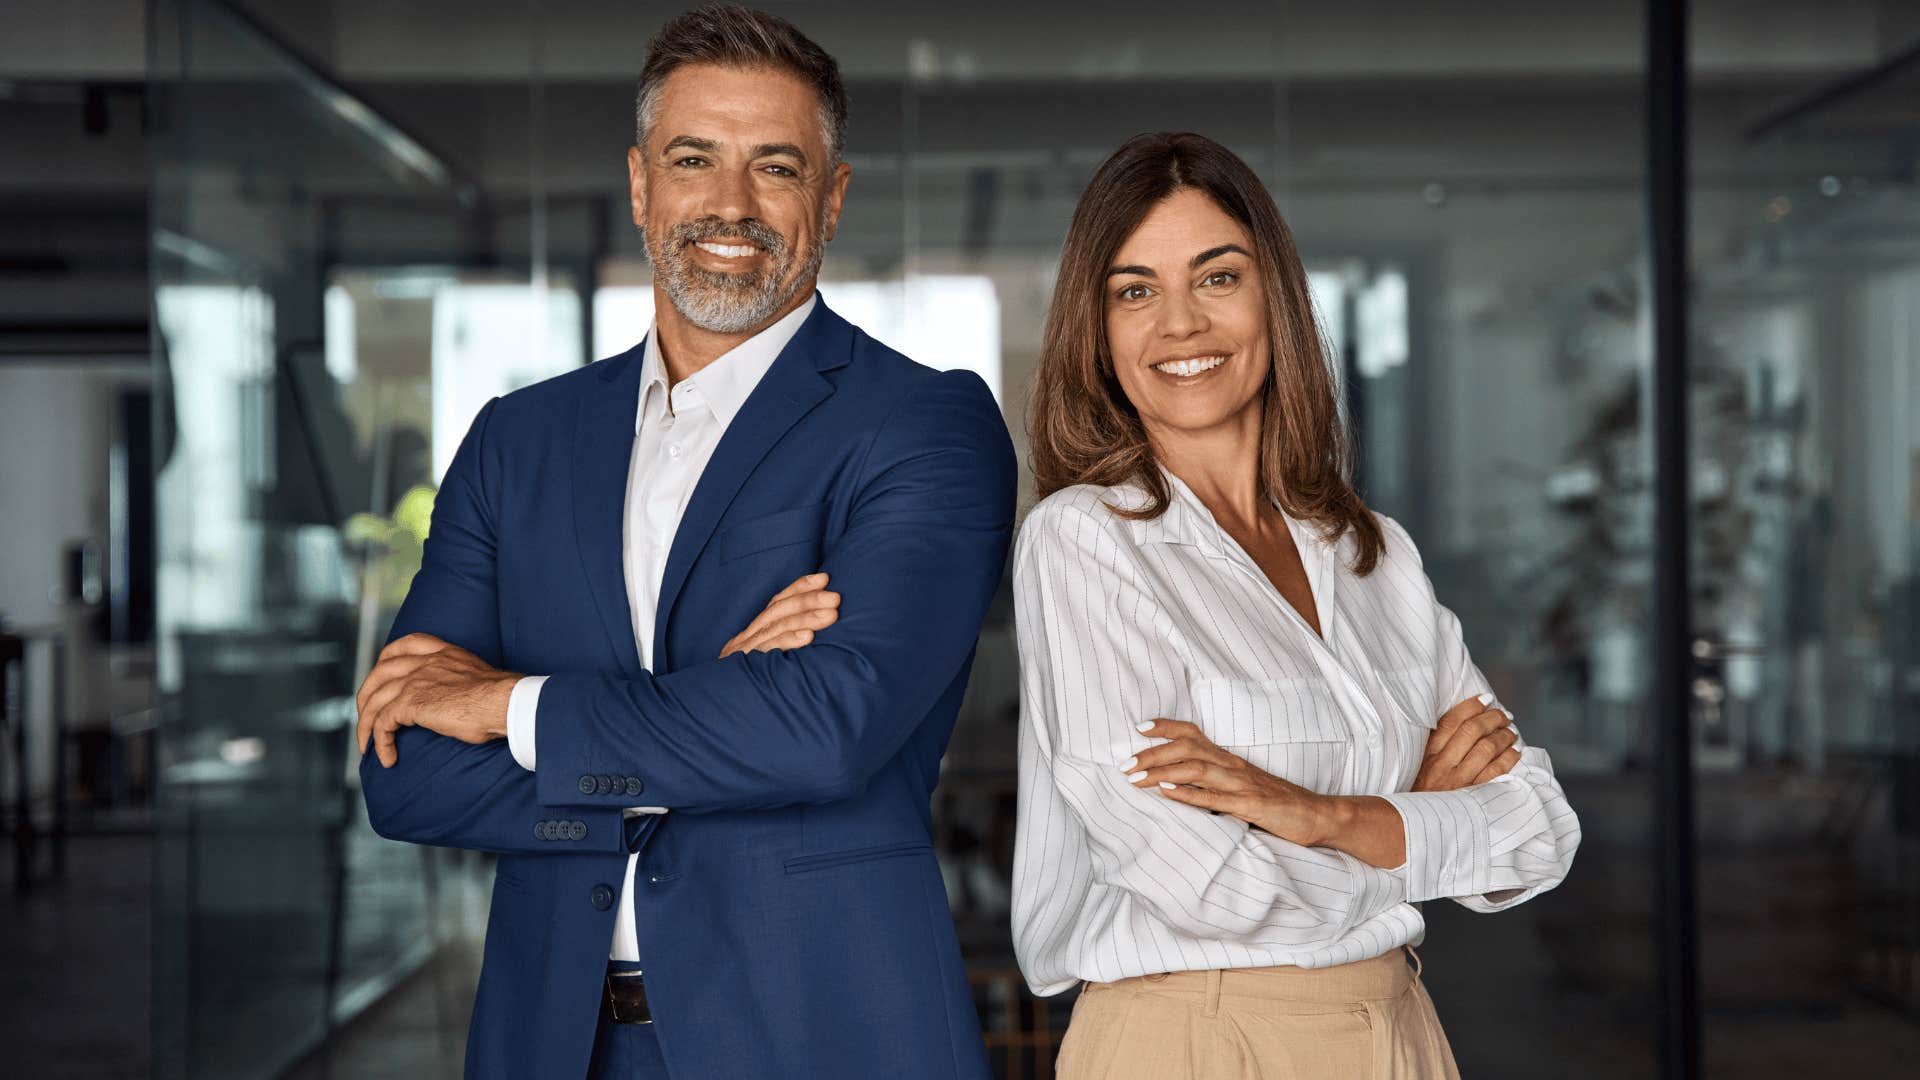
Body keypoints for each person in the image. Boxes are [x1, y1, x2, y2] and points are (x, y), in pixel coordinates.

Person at [352, 6, 1011, 1078]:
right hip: (554, 1045)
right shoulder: (519, 440)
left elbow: (828, 727)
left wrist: (508, 704)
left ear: (833, 199)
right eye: (694, 159)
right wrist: (719, 706)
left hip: (822, 1037)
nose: (731, 205)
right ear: (640, 183)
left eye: (778, 168)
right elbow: (406, 777)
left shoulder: (923, 425)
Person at [1011, 132, 1581, 1079]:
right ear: (1098, 332)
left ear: (1274, 297)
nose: (1181, 325)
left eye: (1218, 278)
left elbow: (1537, 828)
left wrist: (1319, 815)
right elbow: (1209, 884)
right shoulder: (1086, 542)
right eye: (1135, 290)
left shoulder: (1375, 554)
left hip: (1398, 1024)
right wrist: (1415, 820)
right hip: (1196, 1036)